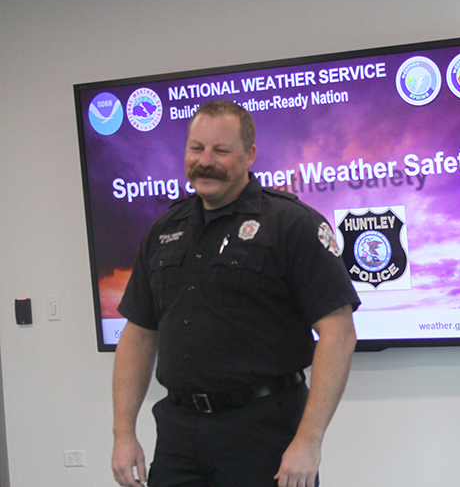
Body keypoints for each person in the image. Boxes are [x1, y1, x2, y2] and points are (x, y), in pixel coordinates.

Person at [111, 100, 360, 487]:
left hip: (265, 432)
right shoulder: (164, 230)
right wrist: (123, 433)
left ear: (249, 155)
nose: (205, 160)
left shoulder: (292, 225)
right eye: (196, 148)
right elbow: (139, 334)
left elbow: (338, 333)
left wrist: (309, 442)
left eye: (220, 150)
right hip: (179, 434)